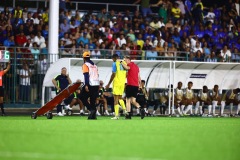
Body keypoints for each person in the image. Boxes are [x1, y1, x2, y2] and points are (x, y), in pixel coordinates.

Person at [79, 51, 100, 120]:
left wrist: (86, 85)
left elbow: (86, 75)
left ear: (84, 58)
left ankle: (91, 110)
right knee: (92, 100)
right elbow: (97, 75)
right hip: (96, 84)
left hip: (90, 84)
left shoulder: (85, 65)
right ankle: (93, 116)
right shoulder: (95, 65)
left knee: (82, 97)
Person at [106, 54, 127, 120]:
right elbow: (126, 74)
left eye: (112, 59)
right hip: (122, 83)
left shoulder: (115, 63)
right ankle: (124, 109)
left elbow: (113, 74)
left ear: (114, 58)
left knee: (115, 99)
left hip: (117, 83)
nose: (112, 60)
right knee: (120, 98)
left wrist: (109, 83)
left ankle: (116, 115)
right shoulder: (124, 63)